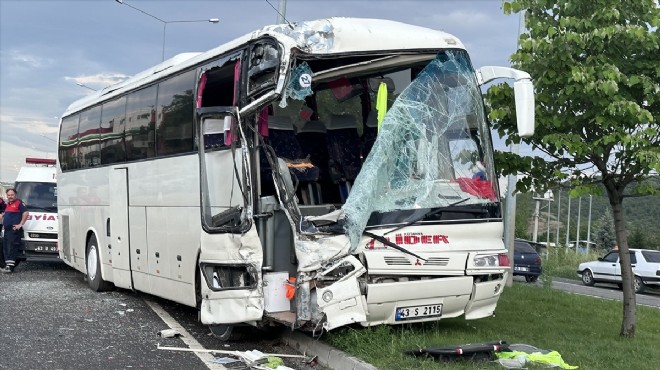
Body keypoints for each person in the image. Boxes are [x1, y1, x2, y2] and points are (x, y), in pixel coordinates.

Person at [1, 188, 29, 273]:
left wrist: (20, 224)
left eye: (12, 195)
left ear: (15, 195)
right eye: (9, 195)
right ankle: (8, 266)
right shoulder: (8, 204)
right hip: (7, 229)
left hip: (14, 230)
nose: (10, 196)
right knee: (6, 247)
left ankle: (10, 267)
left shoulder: (19, 203)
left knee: (11, 248)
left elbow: (26, 213)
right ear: (7, 196)